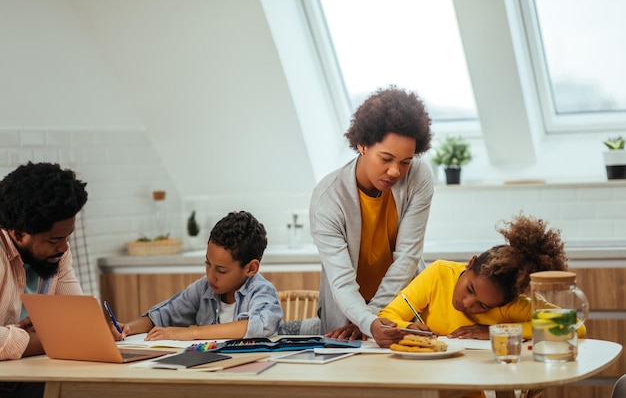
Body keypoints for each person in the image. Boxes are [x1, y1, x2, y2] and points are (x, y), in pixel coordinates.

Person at [309, 85, 434, 345]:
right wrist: (367, 319)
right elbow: (341, 281)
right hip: (347, 316)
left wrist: (372, 317)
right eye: (386, 158)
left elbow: (407, 259)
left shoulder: (419, 177)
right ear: (362, 144)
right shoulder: (328, 198)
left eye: (405, 161)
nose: (395, 172)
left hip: (402, 306)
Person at [377, 213, 586, 342]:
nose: (468, 304)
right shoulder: (439, 274)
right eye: (470, 289)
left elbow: (575, 326)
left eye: (483, 306)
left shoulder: (510, 305)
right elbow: (387, 316)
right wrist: (408, 328)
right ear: (470, 263)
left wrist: (497, 331)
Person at [110, 210, 282, 341]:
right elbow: (164, 314)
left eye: (221, 270)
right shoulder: (204, 289)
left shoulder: (261, 291)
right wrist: (128, 328)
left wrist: (191, 332)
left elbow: (260, 325)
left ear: (251, 268)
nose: (211, 275)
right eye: (208, 263)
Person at [0, 162, 88, 398]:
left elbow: (79, 319)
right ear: (18, 233)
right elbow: (74, 333)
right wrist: (49, 336)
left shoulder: (57, 253)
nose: (64, 247)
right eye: (54, 240)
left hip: (26, 371)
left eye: (67, 236)